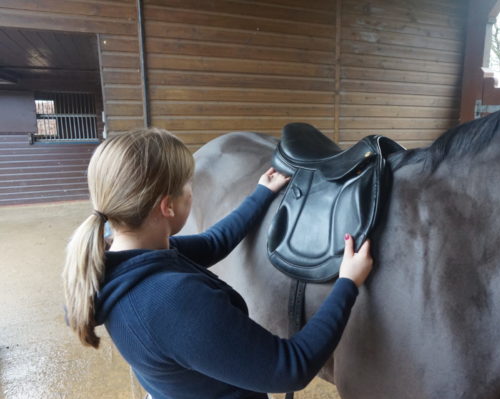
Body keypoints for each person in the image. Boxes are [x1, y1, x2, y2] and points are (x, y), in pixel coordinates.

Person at [63, 127, 373, 399]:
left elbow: (213, 243)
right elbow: (290, 368)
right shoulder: (171, 299)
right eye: (188, 186)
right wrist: (347, 283)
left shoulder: (123, 263)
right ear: (167, 206)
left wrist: (262, 193)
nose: (191, 193)